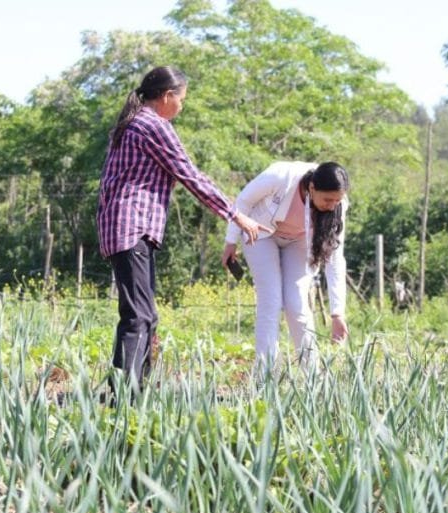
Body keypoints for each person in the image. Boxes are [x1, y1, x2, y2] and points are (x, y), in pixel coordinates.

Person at [97, 66, 264, 392]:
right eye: (182, 99)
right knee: (137, 317)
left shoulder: (131, 124)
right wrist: (236, 215)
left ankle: (134, 392)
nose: (182, 107)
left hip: (123, 227)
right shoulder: (153, 126)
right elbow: (190, 176)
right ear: (167, 96)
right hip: (132, 227)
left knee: (144, 315)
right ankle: (125, 399)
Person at [220, 161, 349, 374]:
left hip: (299, 241)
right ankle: (265, 375)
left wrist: (337, 313)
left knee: (296, 302)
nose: (332, 205)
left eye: (337, 200)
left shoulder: (337, 205)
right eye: (328, 199)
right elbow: (243, 201)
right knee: (271, 300)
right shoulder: (281, 177)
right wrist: (231, 241)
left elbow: (335, 259)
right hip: (260, 233)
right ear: (312, 188)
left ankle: (313, 377)